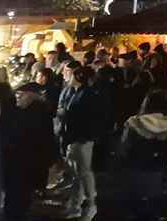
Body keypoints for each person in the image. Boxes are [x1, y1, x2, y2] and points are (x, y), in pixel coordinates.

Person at [6, 82, 58, 220]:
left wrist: (50, 159)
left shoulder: (36, 114)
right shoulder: (27, 111)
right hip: (23, 160)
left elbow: (44, 137)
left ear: (32, 96)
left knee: (21, 195)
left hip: (27, 161)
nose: (18, 97)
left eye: (21, 95)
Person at [120, 89, 167, 219]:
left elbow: (125, 144)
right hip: (159, 166)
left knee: (137, 200)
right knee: (155, 198)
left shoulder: (135, 123)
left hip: (136, 166)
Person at [61, 66, 102, 220]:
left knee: (84, 171)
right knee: (77, 172)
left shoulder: (87, 95)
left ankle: (91, 205)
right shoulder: (76, 92)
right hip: (75, 137)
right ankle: (76, 204)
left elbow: (89, 118)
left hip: (82, 138)